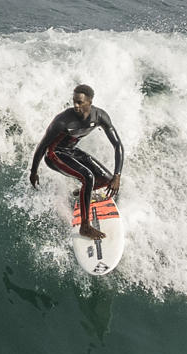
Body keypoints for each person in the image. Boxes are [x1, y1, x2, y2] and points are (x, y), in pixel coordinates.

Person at [29, 84, 123, 240]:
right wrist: (34, 171)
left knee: (107, 179)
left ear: (90, 102)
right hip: (54, 154)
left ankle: (81, 193)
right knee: (88, 177)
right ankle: (85, 227)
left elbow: (117, 145)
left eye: (80, 102)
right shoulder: (62, 121)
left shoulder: (100, 116)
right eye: (74, 101)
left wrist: (117, 175)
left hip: (71, 151)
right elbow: (42, 146)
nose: (76, 105)